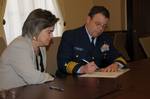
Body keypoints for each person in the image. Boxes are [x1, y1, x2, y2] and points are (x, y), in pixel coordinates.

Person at [56, 6, 127, 76]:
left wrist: (116, 65)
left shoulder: (105, 38)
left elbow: (119, 57)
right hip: (72, 81)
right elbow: (62, 63)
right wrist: (82, 68)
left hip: (97, 80)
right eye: (98, 24)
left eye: (104, 26)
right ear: (88, 19)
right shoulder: (71, 36)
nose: (100, 29)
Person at [0, 9, 59, 90]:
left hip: (27, 92)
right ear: (36, 30)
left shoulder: (41, 47)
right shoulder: (19, 46)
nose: (52, 36)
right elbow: (33, 78)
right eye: (49, 32)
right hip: (8, 94)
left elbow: (40, 76)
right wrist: (52, 77)